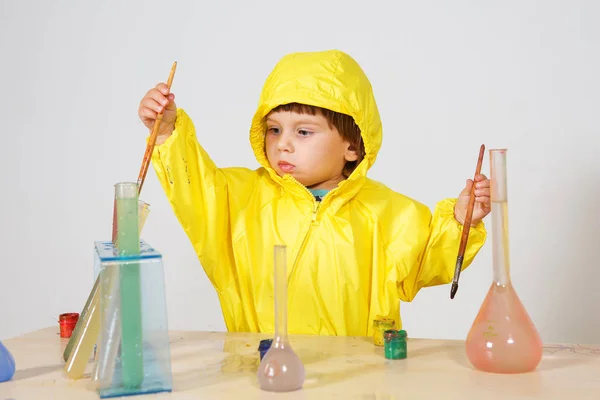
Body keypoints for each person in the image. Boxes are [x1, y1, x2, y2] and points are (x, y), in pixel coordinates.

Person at [138, 49, 491, 336]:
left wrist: (460, 221)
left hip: (358, 381)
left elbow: (430, 260)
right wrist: (168, 132)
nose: (283, 145)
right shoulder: (242, 200)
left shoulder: (388, 213)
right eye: (274, 129)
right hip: (262, 373)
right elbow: (193, 186)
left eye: (303, 132)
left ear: (352, 145)